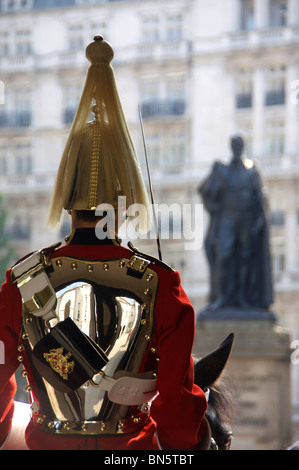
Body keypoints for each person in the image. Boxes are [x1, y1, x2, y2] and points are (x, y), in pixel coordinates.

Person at [0, 37, 209, 451]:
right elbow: (179, 404)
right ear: (126, 198)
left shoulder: (20, 282)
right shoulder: (160, 283)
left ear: (65, 194)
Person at [199, 135, 273, 311]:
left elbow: (260, 198)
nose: (238, 147)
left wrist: (260, 219)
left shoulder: (251, 170)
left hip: (246, 221)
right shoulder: (222, 169)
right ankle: (222, 297)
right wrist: (214, 208)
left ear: (243, 146)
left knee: (245, 259)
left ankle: (244, 299)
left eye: (240, 144)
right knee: (224, 257)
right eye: (235, 144)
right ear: (231, 146)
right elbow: (205, 191)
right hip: (227, 219)